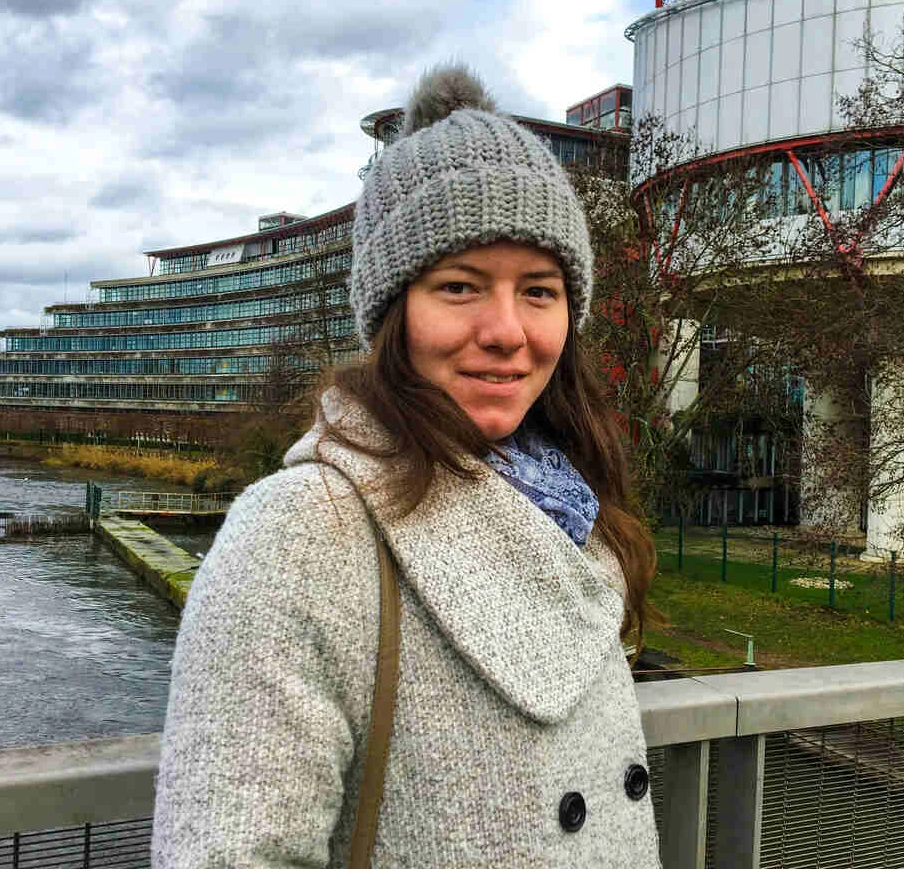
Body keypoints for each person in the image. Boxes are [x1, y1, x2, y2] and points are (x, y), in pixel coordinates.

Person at [152, 64, 661, 867]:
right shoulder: (300, 533)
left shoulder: (574, 508)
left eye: (539, 290)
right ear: (393, 314)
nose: (507, 330)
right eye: (460, 286)